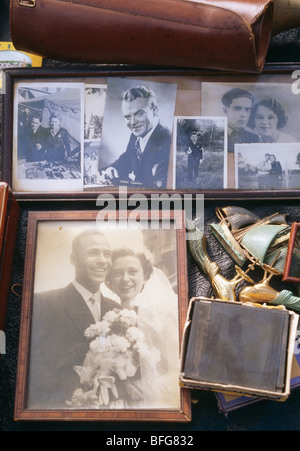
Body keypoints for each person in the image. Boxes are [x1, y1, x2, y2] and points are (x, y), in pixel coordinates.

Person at [27, 230, 119, 408]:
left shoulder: (116, 309)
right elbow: (34, 365)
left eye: (107, 254)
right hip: (65, 407)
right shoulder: (44, 303)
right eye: (93, 252)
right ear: (73, 259)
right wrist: (72, 391)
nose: (102, 260)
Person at [104, 248, 180, 409]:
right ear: (109, 281)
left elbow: (180, 371)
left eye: (133, 272)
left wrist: (128, 390)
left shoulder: (160, 311)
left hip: (158, 402)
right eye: (118, 273)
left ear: (145, 276)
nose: (125, 279)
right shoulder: (111, 317)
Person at [99, 86, 172, 189]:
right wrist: (112, 168)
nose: (133, 123)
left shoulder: (168, 141)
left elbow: (159, 189)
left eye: (139, 114)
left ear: (155, 111)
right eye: (128, 117)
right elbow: (128, 158)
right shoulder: (136, 135)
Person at [222, 88, 259, 152]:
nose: (243, 115)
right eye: (237, 109)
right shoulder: (216, 134)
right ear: (225, 110)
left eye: (247, 110)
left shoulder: (254, 138)